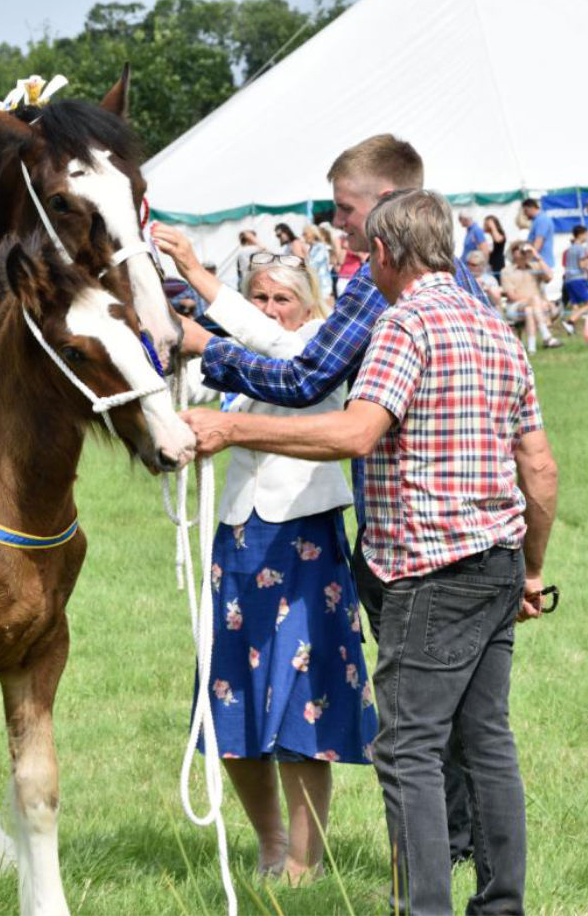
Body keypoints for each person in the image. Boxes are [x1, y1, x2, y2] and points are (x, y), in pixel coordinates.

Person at [179, 189, 558, 915]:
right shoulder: (497, 329)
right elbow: (537, 465)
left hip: (426, 569)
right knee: (487, 743)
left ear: (383, 254)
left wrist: (233, 431)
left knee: (409, 749)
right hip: (499, 561)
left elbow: (356, 432)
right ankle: (502, 904)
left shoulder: (401, 324)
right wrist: (533, 567)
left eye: (364, 254)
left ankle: (424, 908)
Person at [153, 133, 491, 868]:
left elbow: (305, 369)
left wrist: (203, 343)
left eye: (344, 209)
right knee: (463, 717)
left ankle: (437, 859)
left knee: (416, 718)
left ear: (385, 205)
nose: (338, 224)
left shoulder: (380, 285)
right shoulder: (466, 291)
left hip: (412, 533)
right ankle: (461, 853)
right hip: (462, 532)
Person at [164, 247, 378, 884]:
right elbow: (183, 388)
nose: (268, 309)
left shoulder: (317, 345)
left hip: (306, 538)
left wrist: (199, 283)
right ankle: (270, 842)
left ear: (310, 306)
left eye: (282, 298)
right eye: (258, 298)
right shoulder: (240, 360)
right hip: (237, 538)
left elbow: (276, 356)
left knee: (303, 706)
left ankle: (304, 866)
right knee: (227, 698)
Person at [502, 241, 561, 353]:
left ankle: (531, 348)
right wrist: (532, 300)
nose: (523, 253)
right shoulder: (506, 271)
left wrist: (537, 256)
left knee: (529, 310)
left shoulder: (535, 267)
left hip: (534, 307)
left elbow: (549, 277)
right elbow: (511, 296)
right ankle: (546, 336)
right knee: (534, 301)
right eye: (519, 250)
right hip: (515, 307)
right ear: (513, 253)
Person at [561, 224, 588, 330]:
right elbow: (582, 265)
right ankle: (570, 321)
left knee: (575, 305)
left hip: (568, 279)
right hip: (577, 278)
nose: (587, 237)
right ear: (580, 235)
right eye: (586, 235)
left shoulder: (570, 249)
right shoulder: (580, 249)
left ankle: (571, 328)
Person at [302, 224, 333, 308]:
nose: (303, 236)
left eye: (305, 234)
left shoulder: (320, 247)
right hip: (314, 286)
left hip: (322, 286)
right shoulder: (311, 248)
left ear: (312, 234)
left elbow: (313, 265)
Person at [521, 197, 556, 273]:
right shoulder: (537, 220)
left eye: (525, 211)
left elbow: (538, 241)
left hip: (542, 264)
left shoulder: (542, 220)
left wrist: (529, 260)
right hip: (539, 263)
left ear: (531, 208)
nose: (524, 214)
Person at [484, 214, 508, 280]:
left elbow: (497, 240)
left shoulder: (500, 233)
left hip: (498, 264)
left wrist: (493, 227)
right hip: (488, 264)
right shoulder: (484, 235)